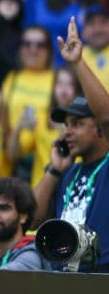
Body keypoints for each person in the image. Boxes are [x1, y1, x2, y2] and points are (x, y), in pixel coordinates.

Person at [33, 18, 109, 271]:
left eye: (77, 123)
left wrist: (77, 63)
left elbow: (107, 116)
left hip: (102, 278)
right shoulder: (67, 172)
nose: (67, 132)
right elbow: (31, 220)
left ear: (99, 129)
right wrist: (54, 170)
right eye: (65, 125)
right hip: (63, 278)